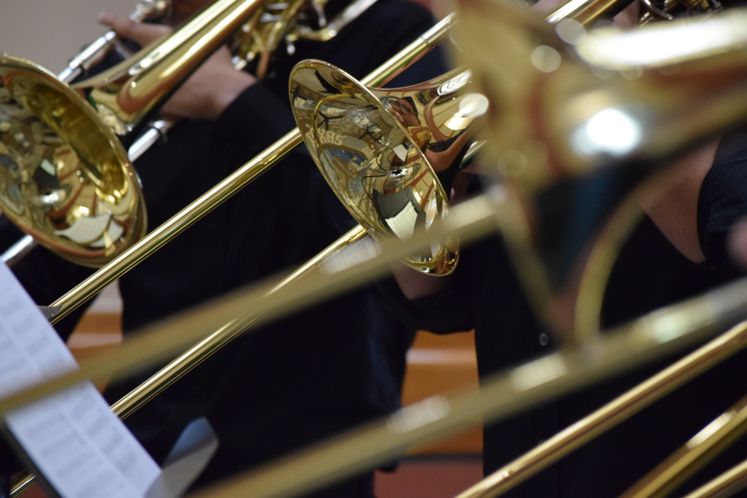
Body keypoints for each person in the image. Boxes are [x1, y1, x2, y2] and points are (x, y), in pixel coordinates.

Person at [0, 0, 447, 494]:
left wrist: (234, 100)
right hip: (149, 448)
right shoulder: (142, 53)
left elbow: (393, 247)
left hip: (311, 455)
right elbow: (40, 268)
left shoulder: (392, 32)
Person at [382, 7, 747, 498]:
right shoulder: (528, 55)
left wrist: (597, 84)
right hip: (521, 470)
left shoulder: (721, 57)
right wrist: (439, 169)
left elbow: (719, 245)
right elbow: (429, 294)